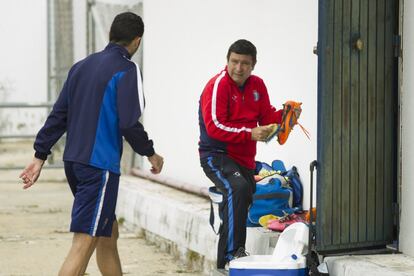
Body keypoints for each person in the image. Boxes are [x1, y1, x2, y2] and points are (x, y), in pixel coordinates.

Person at [19, 12, 164, 276]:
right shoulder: (127, 69)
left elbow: (59, 114)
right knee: (83, 242)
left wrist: (40, 155)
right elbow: (129, 123)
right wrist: (150, 153)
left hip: (74, 163)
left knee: (107, 233)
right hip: (99, 166)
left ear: (111, 34)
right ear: (137, 41)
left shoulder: (81, 66)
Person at [198, 39, 284, 269]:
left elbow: (266, 118)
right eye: (234, 61)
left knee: (238, 202)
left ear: (253, 65)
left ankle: (222, 265)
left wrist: (284, 116)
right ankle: (233, 256)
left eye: (245, 63)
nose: (238, 67)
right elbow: (214, 126)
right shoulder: (217, 85)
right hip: (216, 154)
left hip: (244, 160)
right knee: (238, 189)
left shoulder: (258, 85)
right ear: (227, 61)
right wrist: (250, 133)